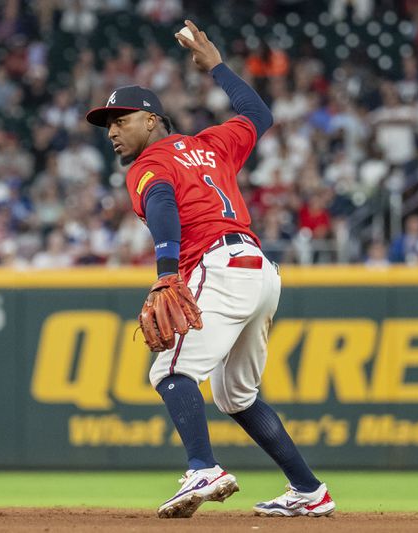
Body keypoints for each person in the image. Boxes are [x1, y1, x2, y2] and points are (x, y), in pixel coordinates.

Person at [85, 20, 335, 519]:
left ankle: (204, 468)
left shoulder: (149, 163)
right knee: (236, 395)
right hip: (259, 271)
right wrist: (217, 67)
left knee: (171, 370)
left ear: (153, 120)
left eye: (122, 119)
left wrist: (165, 271)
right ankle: (309, 491)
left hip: (217, 264)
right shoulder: (212, 145)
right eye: (107, 124)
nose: (112, 130)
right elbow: (257, 113)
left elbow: (160, 202)